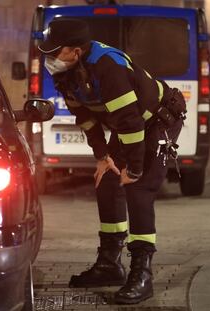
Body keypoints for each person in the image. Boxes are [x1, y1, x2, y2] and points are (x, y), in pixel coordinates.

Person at [38, 18, 186, 304]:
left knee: (138, 189)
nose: (49, 58)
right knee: (107, 181)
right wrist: (102, 157)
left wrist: (134, 169)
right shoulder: (67, 73)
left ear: (75, 51)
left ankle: (142, 274)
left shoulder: (108, 67)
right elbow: (85, 118)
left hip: (157, 121)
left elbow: (131, 124)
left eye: (55, 52)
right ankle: (109, 264)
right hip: (129, 125)